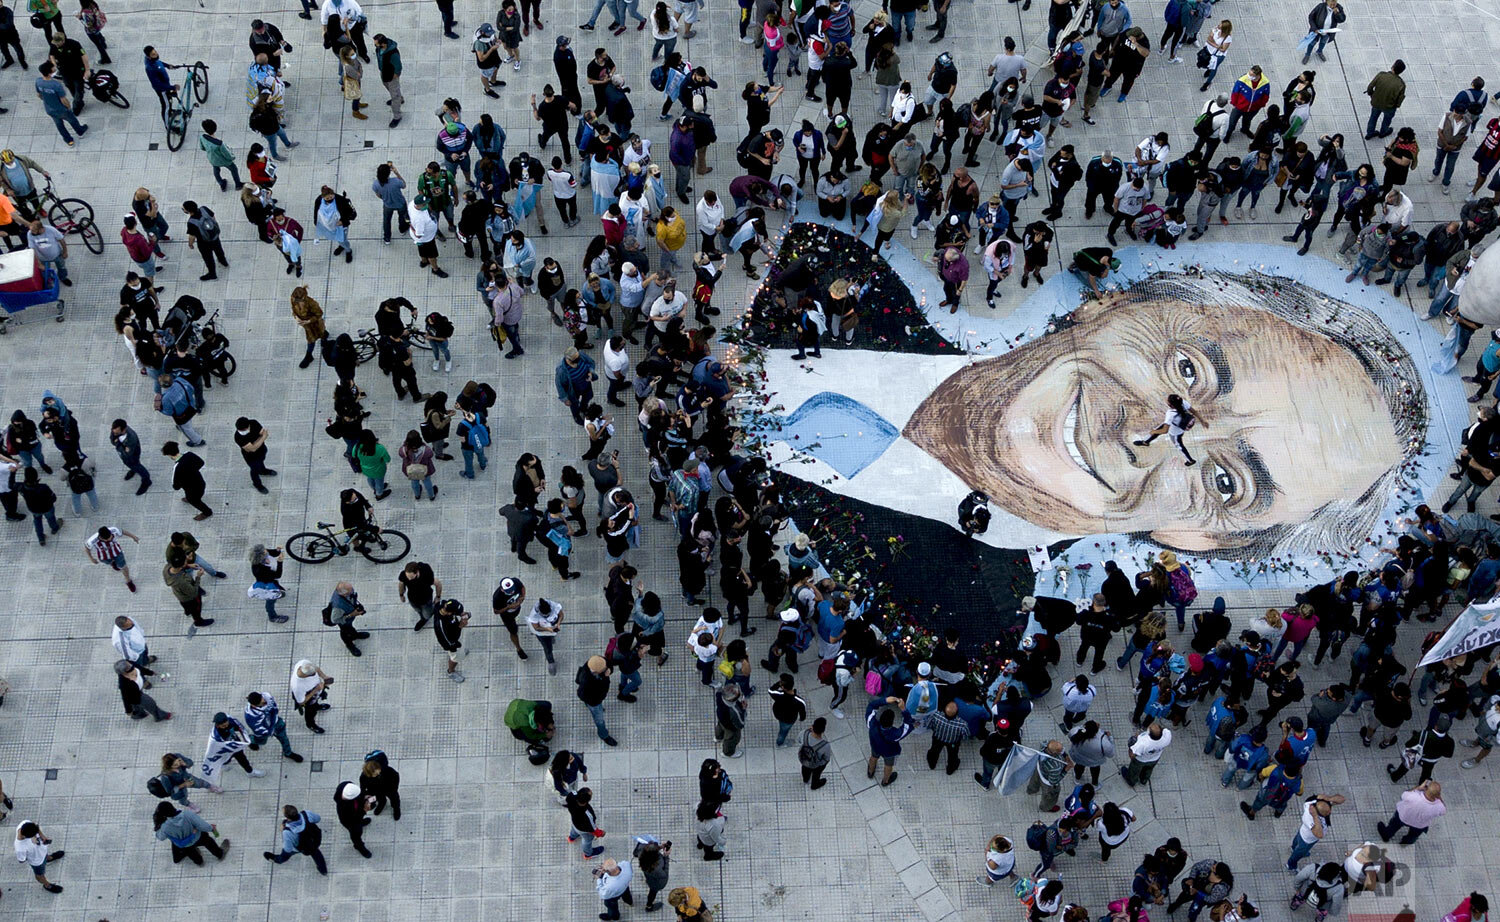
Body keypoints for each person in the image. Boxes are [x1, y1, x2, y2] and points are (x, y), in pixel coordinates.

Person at [1132, 393, 1201, 465]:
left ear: (1171, 405)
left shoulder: (1170, 414)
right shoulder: (1182, 402)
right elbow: (1194, 411)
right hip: (1178, 425)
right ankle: (1146, 442)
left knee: (1179, 445)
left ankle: (1190, 460)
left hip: (1175, 432)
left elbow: (1165, 430)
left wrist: (1153, 431)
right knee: (1159, 428)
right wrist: (1203, 421)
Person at [153, 801, 229, 865]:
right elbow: (201, 825)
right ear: (172, 807)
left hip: (185, 844)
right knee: (208, 841)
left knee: (191, 852)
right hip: (198, 836)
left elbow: (160, 837)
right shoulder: (187, 814)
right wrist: (211, 828)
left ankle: (199, 862)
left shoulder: (164, 827)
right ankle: (219, 854)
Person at [262, 805, 327, 875]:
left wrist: (283, 829)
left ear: (287, 817)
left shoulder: (287, 832)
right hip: (314, 840)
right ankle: (323, 871)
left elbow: (288, 849)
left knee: (285, 855)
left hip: (301, 847)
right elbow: (318, 818)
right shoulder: (306, 814)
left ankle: (277, 860)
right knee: (316, 853)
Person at [1376, 779, 1444, 845]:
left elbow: (1404, 795)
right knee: (1413, 836)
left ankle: (1386, 836)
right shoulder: (1439, 807)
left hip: (1403, 817)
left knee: (1393, 826)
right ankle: (1405, 843)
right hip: (1419, 825)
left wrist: (1418, 788)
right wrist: (1438, 796)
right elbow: (1443, 810)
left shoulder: (1414, 796)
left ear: (1426, 789)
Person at [84, 525, 139, 592]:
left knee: (124, 567)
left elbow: (123, 532)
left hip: (117, 553)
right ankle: (113, 563)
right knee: (109, 562)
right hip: (104, 557)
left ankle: (128, 581)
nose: (110, 540)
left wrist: (133, 537)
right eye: (107, 540)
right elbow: (87, 548)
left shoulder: (114, 530)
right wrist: (91, 558)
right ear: (101, 538)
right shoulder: (92, 541)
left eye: (110, 537)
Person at [14, 821, 65, 893]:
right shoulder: (20, 848)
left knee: (45, 855)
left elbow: (35, 826)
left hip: (42, 850)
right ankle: (47, 885)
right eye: (34, 835)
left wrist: (42, 836)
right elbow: (21, 860)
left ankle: (49, 858)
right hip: (37, 861)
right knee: (40, 875)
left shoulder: (25, 823)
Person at [1121, 722, 1171, 786]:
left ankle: (1131, 781)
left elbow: (1132, 755)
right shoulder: (1167, 736)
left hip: (1140, 760)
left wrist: (1132, 744)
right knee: (1148, 769)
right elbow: (1164, 730)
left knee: (1134, 771)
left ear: (1149, 733)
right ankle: (1143, 780)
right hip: (1155, 758)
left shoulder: (1143, 742)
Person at [433, 598, 470, 683]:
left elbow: (437, 601)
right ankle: (451, 671)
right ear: (449, 613)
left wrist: (462, 614)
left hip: (453, 632)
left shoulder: (443, 604)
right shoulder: (441, 626)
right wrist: (460, 626)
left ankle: (460, 652)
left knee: (459, 651)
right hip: (451, 644)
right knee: (455, 657)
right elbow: (451, 641)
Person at [798, 717, 832, 789]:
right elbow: (826, 758)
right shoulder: (825, 745)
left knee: (805, 770)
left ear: (812, 727)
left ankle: (806, 780)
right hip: (816, 764)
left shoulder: (804, 733)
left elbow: (798, 740)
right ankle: (814, 785)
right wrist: (820, 764)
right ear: (823, 731)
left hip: (804, 760)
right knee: (816, 774)